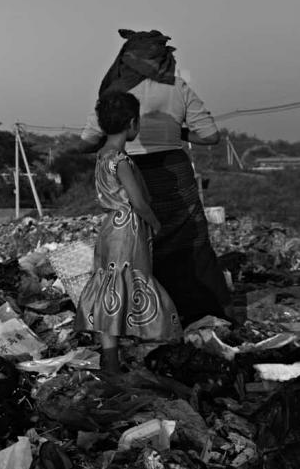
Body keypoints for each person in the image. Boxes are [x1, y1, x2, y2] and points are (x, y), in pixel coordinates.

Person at [80, 29, 232, 326]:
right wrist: (178, 131)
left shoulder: (114, 93)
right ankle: (205, 311)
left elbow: (89, 140)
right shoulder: (178, 87)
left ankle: (145, 316)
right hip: (174, 171)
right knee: (191, 242)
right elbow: (211, 136)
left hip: (131, 172)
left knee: (143, 243)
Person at [75, 91, 181, 373]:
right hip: (128, 228)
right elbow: (138, 201)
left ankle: (110, 359)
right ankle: (159, 341)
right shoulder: (120, 160)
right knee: (134, 282)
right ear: (132, 123)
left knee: (110, 289)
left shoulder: (101, 156)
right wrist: (155, 222)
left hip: (110, 228)